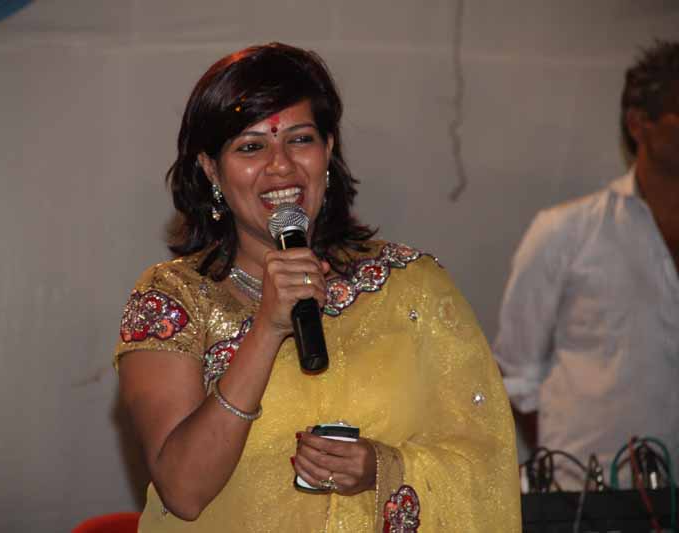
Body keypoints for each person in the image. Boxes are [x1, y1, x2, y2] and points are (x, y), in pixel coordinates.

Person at [114, 42, 520, 532]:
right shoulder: (170, 298)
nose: (281, 166)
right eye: (250, 147)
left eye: (300, 139)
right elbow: (183, 490)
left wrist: (382, 470)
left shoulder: (413, 286)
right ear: (210, 168)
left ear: (328, 150)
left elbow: (485, 462)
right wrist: (267, 329)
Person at [494, 40, 679, 488]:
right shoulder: (567, 231)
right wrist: (564, 469)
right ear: (638, 124)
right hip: (586, 494)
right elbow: (515, 371)